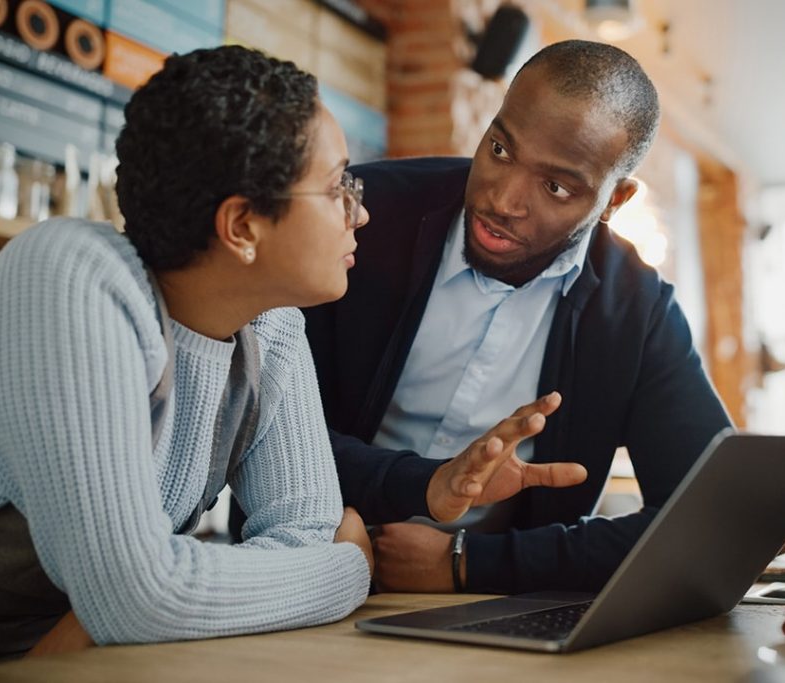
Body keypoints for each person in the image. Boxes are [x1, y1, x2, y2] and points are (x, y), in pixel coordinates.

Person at [0, 46, 566, 676]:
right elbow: (139, 594)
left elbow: (272, 543)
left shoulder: (271, 323)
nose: (360, 211)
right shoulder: (70, 283)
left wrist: (130, 604)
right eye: (337, 185)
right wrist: (349, 565)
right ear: (242, 227)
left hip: (105, 656)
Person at [303, 40, 733, 594]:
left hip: (495, 610)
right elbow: (267, 429)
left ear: (613, 201)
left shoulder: (638, 311)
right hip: (307, 576)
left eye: (555, 186)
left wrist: (467, 562)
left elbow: (711, 521)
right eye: (501, 149)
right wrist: (424, 485)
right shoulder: (364, 217)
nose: (503, 200)